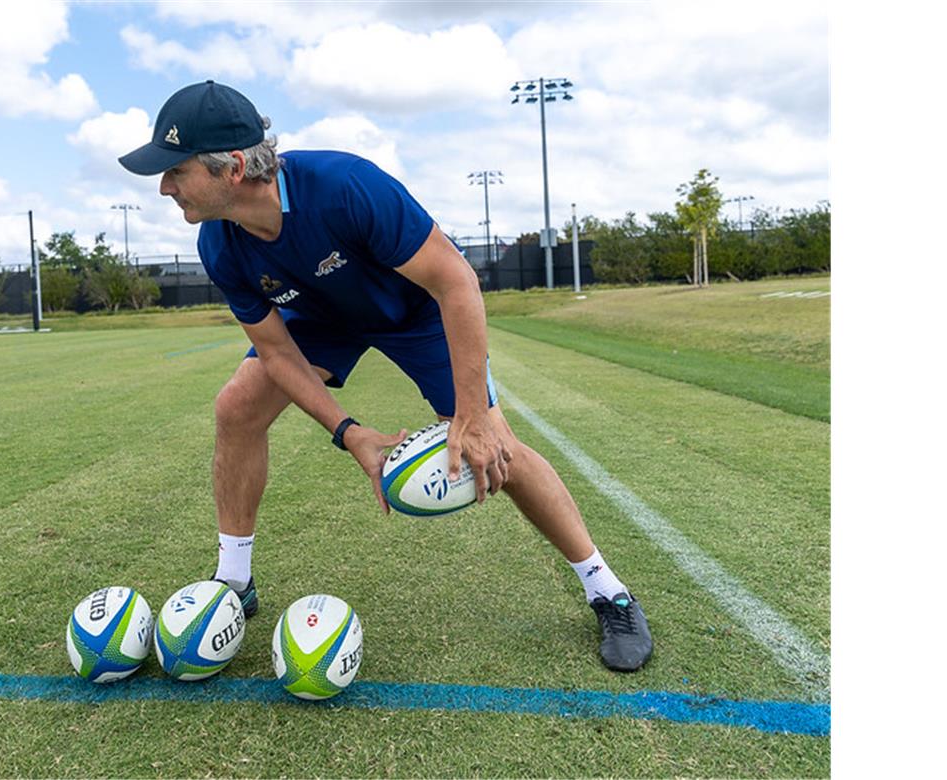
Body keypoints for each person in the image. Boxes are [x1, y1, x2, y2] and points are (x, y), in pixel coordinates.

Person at [119, 81, 653, 671]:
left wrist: (473, 414)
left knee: (497, 447)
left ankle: (608, 591)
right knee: (236, 407)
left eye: (175, 170)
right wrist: (349, 431)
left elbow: (456, 281)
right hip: (321, 316)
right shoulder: (218, 243)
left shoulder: (344, 187)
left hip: (415, 311)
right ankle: (234, 580)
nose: (164, 185)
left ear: (234, 168)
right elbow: (278, 355)